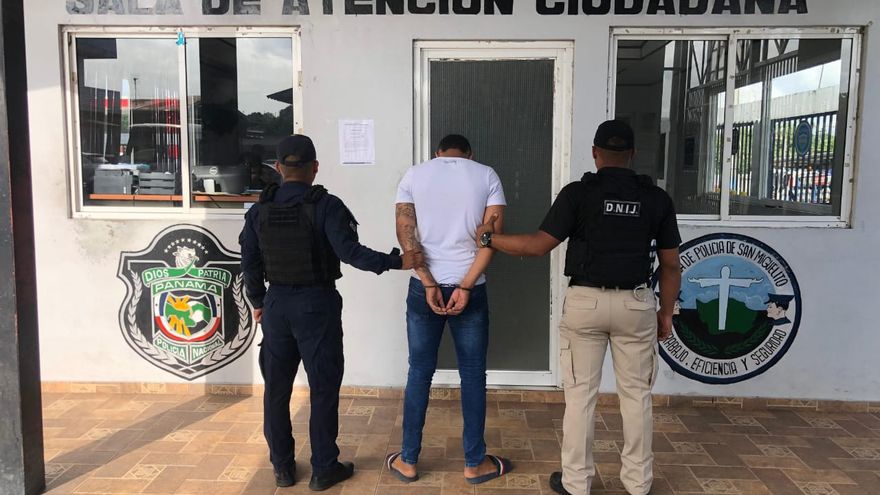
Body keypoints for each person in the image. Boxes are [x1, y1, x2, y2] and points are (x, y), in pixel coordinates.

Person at [475, 120, 682, 495]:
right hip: (636, 304)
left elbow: (537, 246)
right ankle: (638, 484)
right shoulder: (656, 199)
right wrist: (666, 312)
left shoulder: (578, 194)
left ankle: (576, 483)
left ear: (595, 153)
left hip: (586, 303)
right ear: (633, 154)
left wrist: (489, 238)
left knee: (580, 397)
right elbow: (670, 266)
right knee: (636, 397)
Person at [239, 134, 424, 490]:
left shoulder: (260, 209)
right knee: (323, 388)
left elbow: (249, 260)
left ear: (277, 168)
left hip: (277, 306)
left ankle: (282, 468)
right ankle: (324, 468)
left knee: (276, 390)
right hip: (316, 305)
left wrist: (259, 301)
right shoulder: (326, 205)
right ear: (315, 167)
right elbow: (351, 253)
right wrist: (397, 262)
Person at [386, 134, 513, 485]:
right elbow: (490, 239)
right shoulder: (486, 175)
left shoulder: (414, 174)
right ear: (469, 154)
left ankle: (408, 461)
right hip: (469, 287)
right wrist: (465, 286)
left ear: (437, 153)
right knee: (472, 375)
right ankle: (475, 463)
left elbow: (406, 233)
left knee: (419, 371)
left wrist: (428, 281)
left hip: (423, 288)